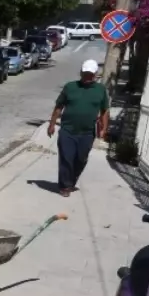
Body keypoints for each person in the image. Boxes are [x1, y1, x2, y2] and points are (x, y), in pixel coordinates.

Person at [47, 58, 109, 196]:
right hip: (67, 130)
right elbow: (59, 107)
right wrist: (51, 124)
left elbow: (104, 111)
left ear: (95, 74)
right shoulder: (70, 87)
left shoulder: (100, 90)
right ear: (81, 73)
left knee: (81, 159)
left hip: (87, 133)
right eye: (85, 74)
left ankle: (71, 181)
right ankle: (64, 186)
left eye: (90, 74)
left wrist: (104, 128)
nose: (87, 77)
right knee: (66, 158)